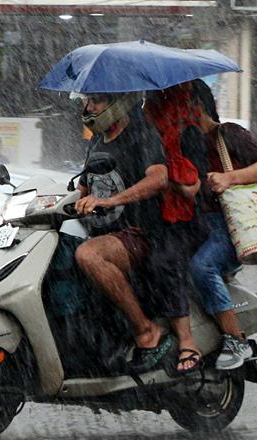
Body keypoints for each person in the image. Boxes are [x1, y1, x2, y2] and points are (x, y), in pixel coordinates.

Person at [72, 92, 173, 373]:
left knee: (88, 255)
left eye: (97, 100)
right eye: (86, 101)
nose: (89, 108)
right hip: (105, 235)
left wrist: (111, 201)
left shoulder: (141, 133)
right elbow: (82, 189)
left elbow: (158, 178)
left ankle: (146, 331)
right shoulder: (96, 140)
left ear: (118, 101)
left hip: (138, 233)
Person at [187, 80, 257, 370]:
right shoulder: (182, 143)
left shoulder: (228, 134)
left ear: (197, 106)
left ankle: (235, 338)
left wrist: (229, 178)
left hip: (231, 227)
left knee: (202, 267)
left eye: (180, 105)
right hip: (197, 226)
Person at [143, 82, 210, 374]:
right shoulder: (144, 131)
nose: (151, 102)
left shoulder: (188, 132)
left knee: (164, 261)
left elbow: (194, 186)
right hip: (151, 216)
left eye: (158, 97)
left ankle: (186, 340)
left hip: (187, 222)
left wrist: (166, 179)